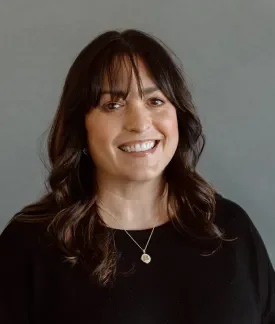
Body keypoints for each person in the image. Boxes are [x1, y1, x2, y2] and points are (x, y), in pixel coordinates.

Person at [0, 29, 274, 324]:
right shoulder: (30, 244)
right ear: (81, 127)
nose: (140, 123)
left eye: (155, 101)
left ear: (177, 115)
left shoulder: (229, 228)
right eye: (113, 105)